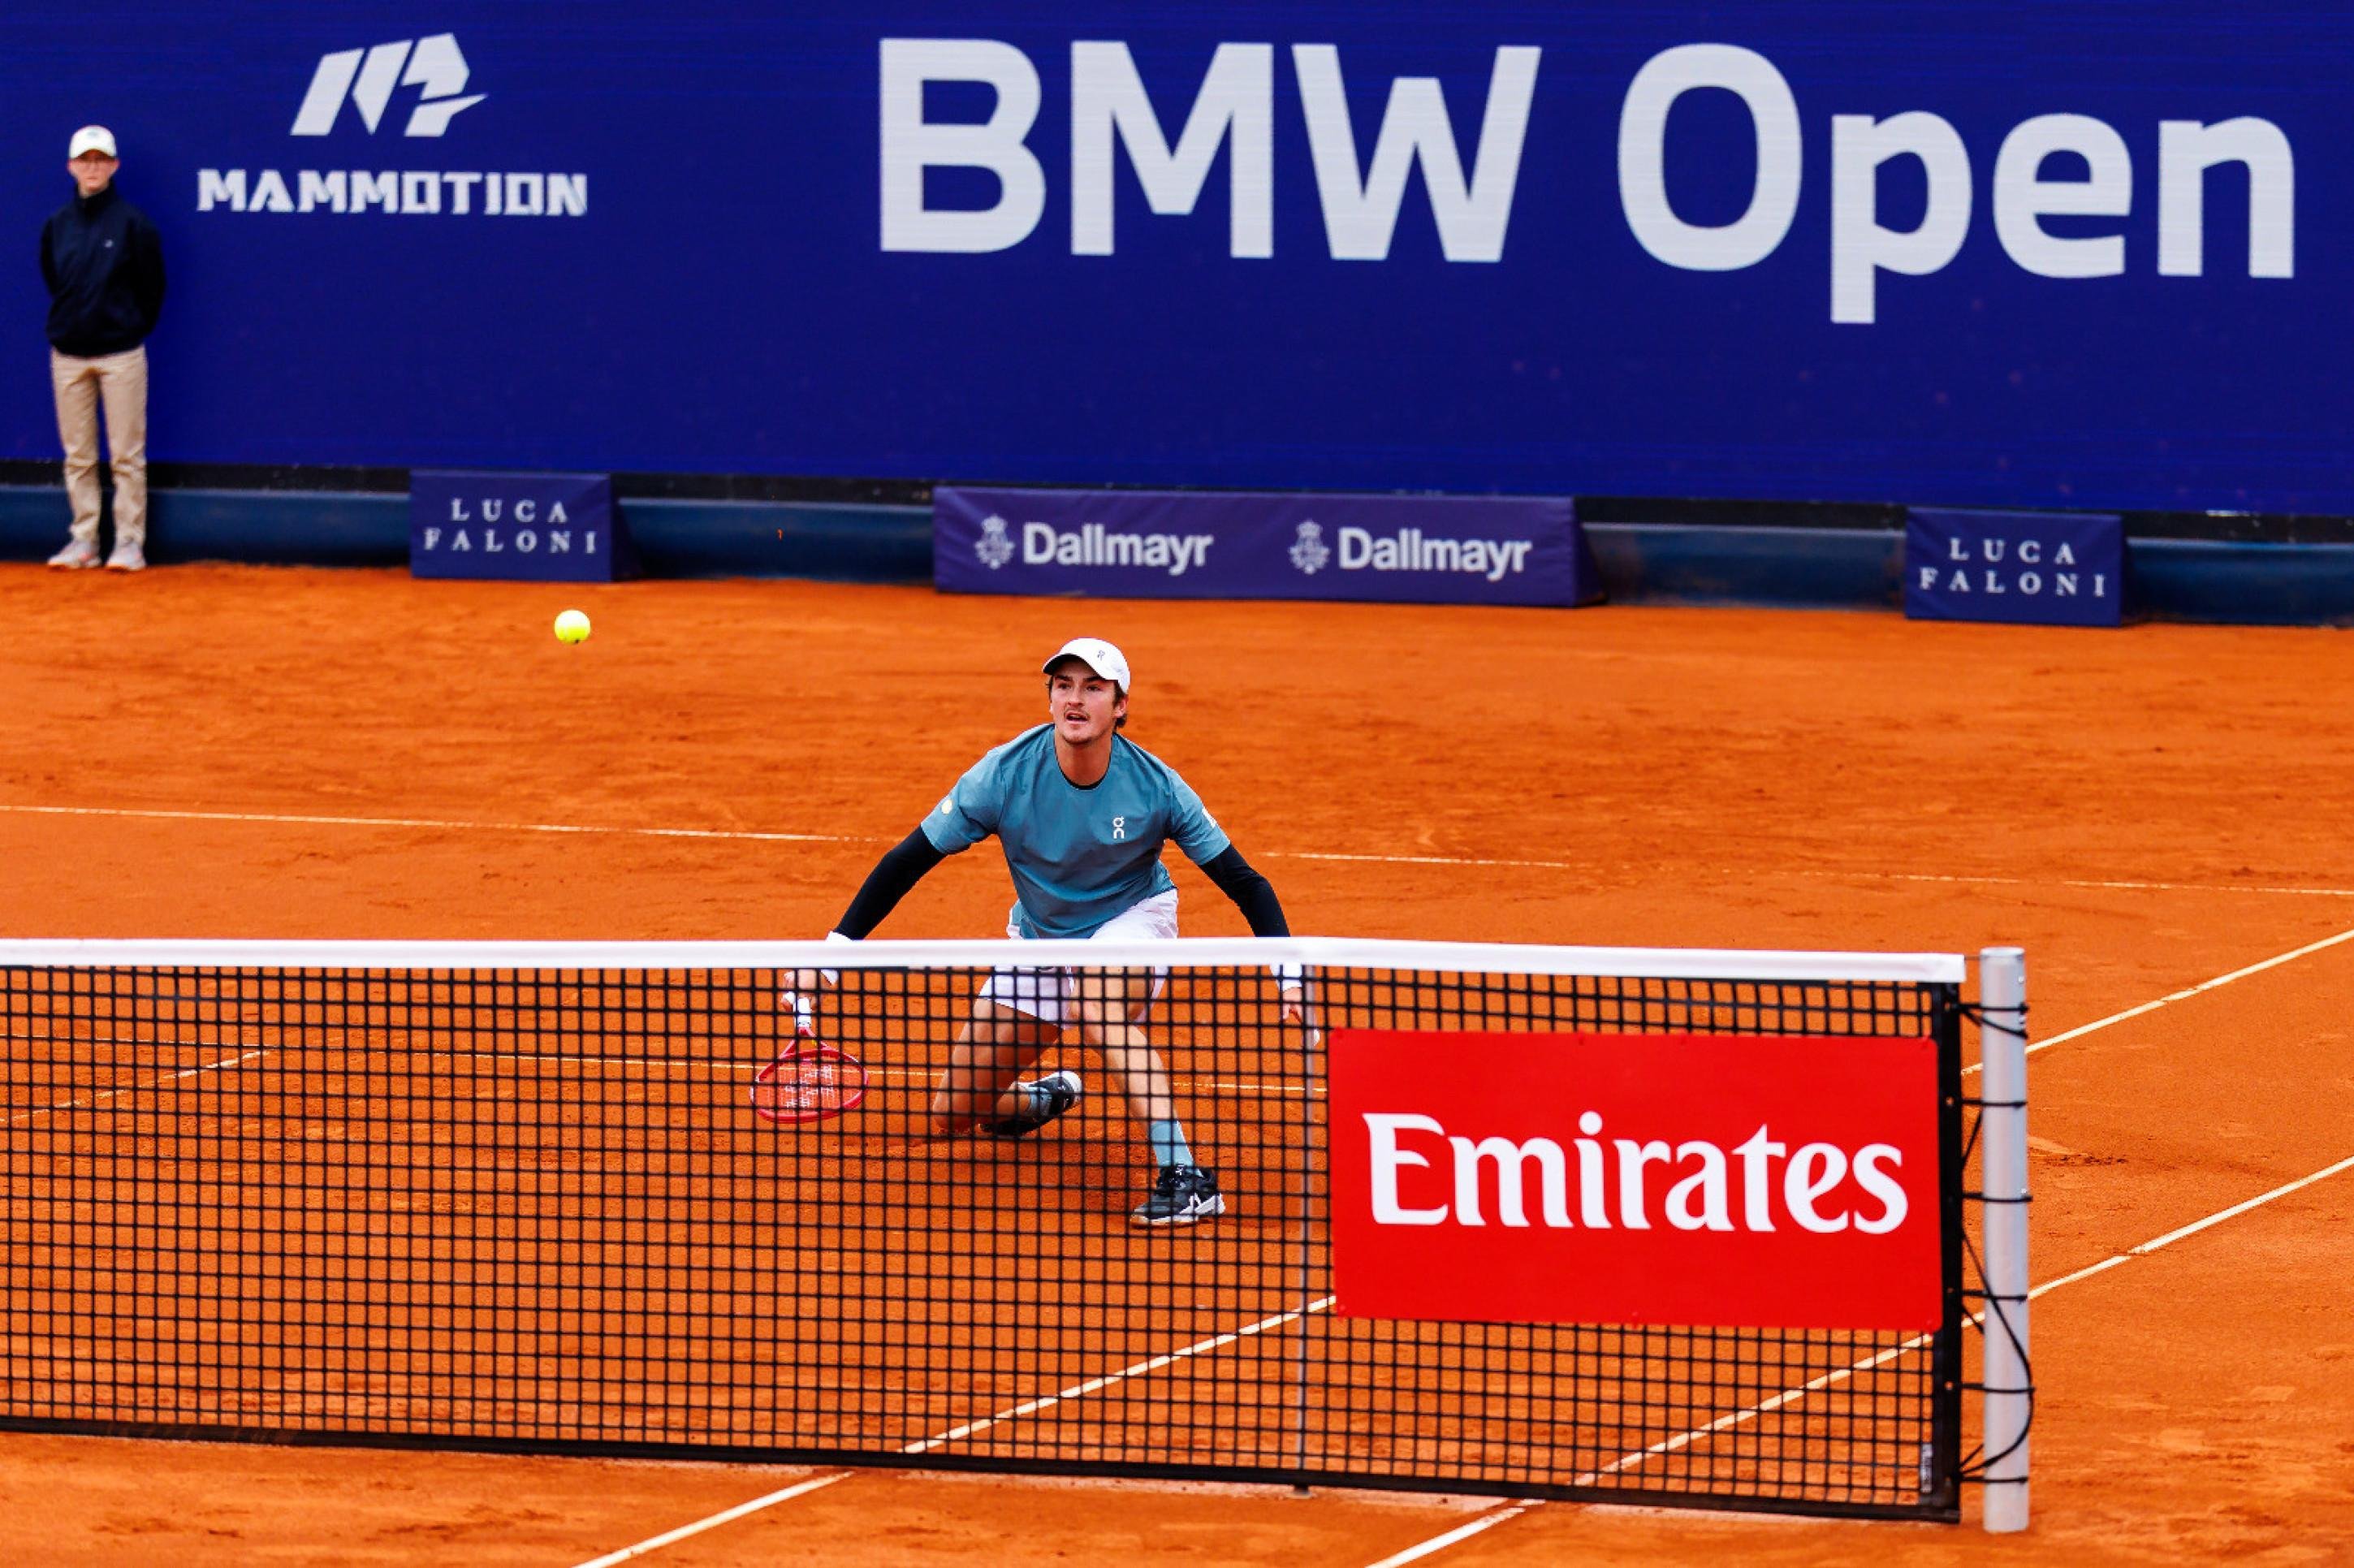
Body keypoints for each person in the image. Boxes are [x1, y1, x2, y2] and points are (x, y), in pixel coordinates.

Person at [808, 637, 1305, 1227]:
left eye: (1093, 688)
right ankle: (1045, 1097)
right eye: (1063, 685)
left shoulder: (1157, 786)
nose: (1075, 698)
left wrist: (1288, 972)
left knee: (1098, 1003)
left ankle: (1186, 1177)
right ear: (1049, 700)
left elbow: (1245, 882)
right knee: (955, 1110)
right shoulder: (1002, 775)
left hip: (1131, 917)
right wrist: (833, 952)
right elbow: (907, 860)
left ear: (1120, 707)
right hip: (1042, 935)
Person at [41, 125, 165, 572]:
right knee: (78, 455)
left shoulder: (134, 224)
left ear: (114, 166)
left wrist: (125, 328)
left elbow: (153, 289)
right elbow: (55, 279)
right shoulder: (57, 225)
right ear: (72, 166)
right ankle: (85, 539)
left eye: (100, 160)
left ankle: (129, 542)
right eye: (85, 160)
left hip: (121, 356)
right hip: (68, 355)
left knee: (127, 455)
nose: (92, 168)